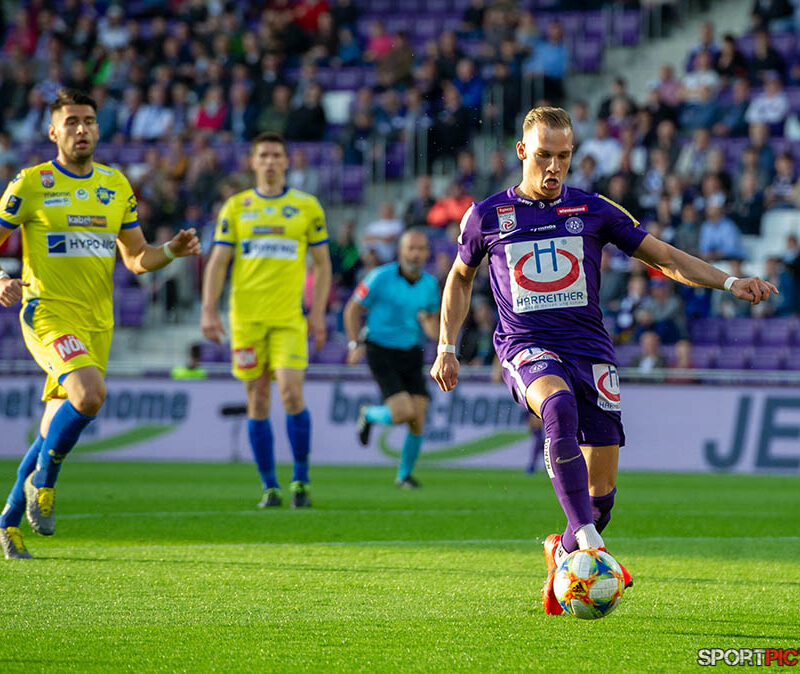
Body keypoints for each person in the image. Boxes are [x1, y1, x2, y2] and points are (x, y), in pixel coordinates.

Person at [429, 106, 777, 615]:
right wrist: (446, 346)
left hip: (590, 351)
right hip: (525, 344)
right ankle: (590, 544)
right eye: (544, 155)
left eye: (563, 157)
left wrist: (728, 281)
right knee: (558, 407)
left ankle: (566, 546)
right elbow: (461, 277)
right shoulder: (487, 215)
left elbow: (665, 258)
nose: (553, 168)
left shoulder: (593, 210)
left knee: (602, 494)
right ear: (522, 152)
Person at [0, 89, 201, 560]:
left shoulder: (115, 186)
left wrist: (170, 251)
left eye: (88, 120)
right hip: (46, 311)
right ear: (53, 131)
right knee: (90, 395)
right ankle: (45, 483)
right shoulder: (32, 183)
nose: (81, 129)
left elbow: (136, 257)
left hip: (97, 322)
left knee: (52, 426)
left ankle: (7, 522)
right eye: (71, 122)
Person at [201, 132, 332, 510]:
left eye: (277, 155)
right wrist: (209, 309)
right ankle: (269, 486)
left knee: (291, 394)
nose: (271, 162)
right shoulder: (236, 207)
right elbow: (218, 262)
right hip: (245, 321)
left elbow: (323, 265)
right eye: (264, 155)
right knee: (257, 400)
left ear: (287, 162)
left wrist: (319, 313)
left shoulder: (307, 207)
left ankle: (301, 480)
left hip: (290, 319)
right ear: (253, 162)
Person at [343, 230, 440, 488]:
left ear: (427, 253)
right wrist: (354, 343)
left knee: (418, 416)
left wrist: (434, 330)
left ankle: (404, 475)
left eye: (421, 249)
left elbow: (432, 325)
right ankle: (369, 414)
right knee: (403, 412)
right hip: (380, 348)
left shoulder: (430, 284)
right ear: (401, 251)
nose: (416, 254)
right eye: (411, 248)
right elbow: (352, 308)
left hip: (410, 351)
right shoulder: (379, 277)